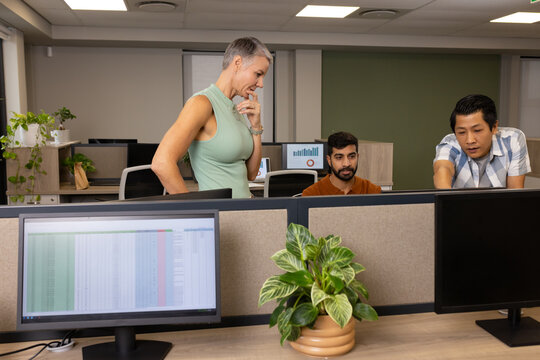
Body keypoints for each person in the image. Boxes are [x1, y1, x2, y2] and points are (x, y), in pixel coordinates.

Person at [152, 37, 272, 198]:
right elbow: (161, 163)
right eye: (258, 74)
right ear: (237, 63)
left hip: (247, 211)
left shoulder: (236, 109)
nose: (261, 84)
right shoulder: (202, 103)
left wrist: (256, 127)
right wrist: (196, 211)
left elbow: (251, 174)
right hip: (222, 214)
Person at [433, 94, 531, 189]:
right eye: (462, 132)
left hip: (501, 205)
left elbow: (514, 193)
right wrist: (445, 195)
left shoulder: (512, 140)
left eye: (477, 130)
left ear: (494, 127)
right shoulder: (450, 143)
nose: (470, 140)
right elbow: (442, 169)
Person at [302, 132, 381, 196]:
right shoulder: (312, 194)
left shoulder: (372, 191)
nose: (346, 164)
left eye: (351, 156)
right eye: (339, 157)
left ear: (358, 157)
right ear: (329, 160)